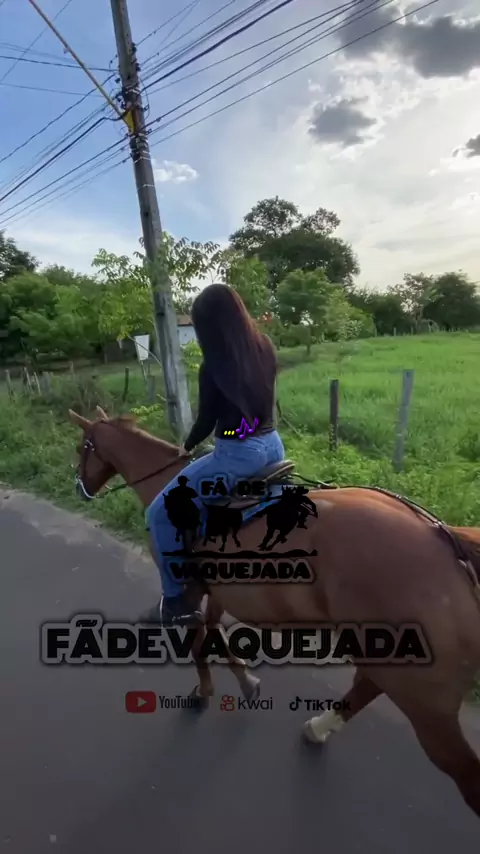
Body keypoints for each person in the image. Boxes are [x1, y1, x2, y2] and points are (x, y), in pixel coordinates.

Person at [142, 283, 285, 626]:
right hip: (272, 445)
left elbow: (206, 420)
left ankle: (176, 602)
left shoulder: (214, 366)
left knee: (159, 513)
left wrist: (187, 446)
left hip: (238, 454)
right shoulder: (265, 346)